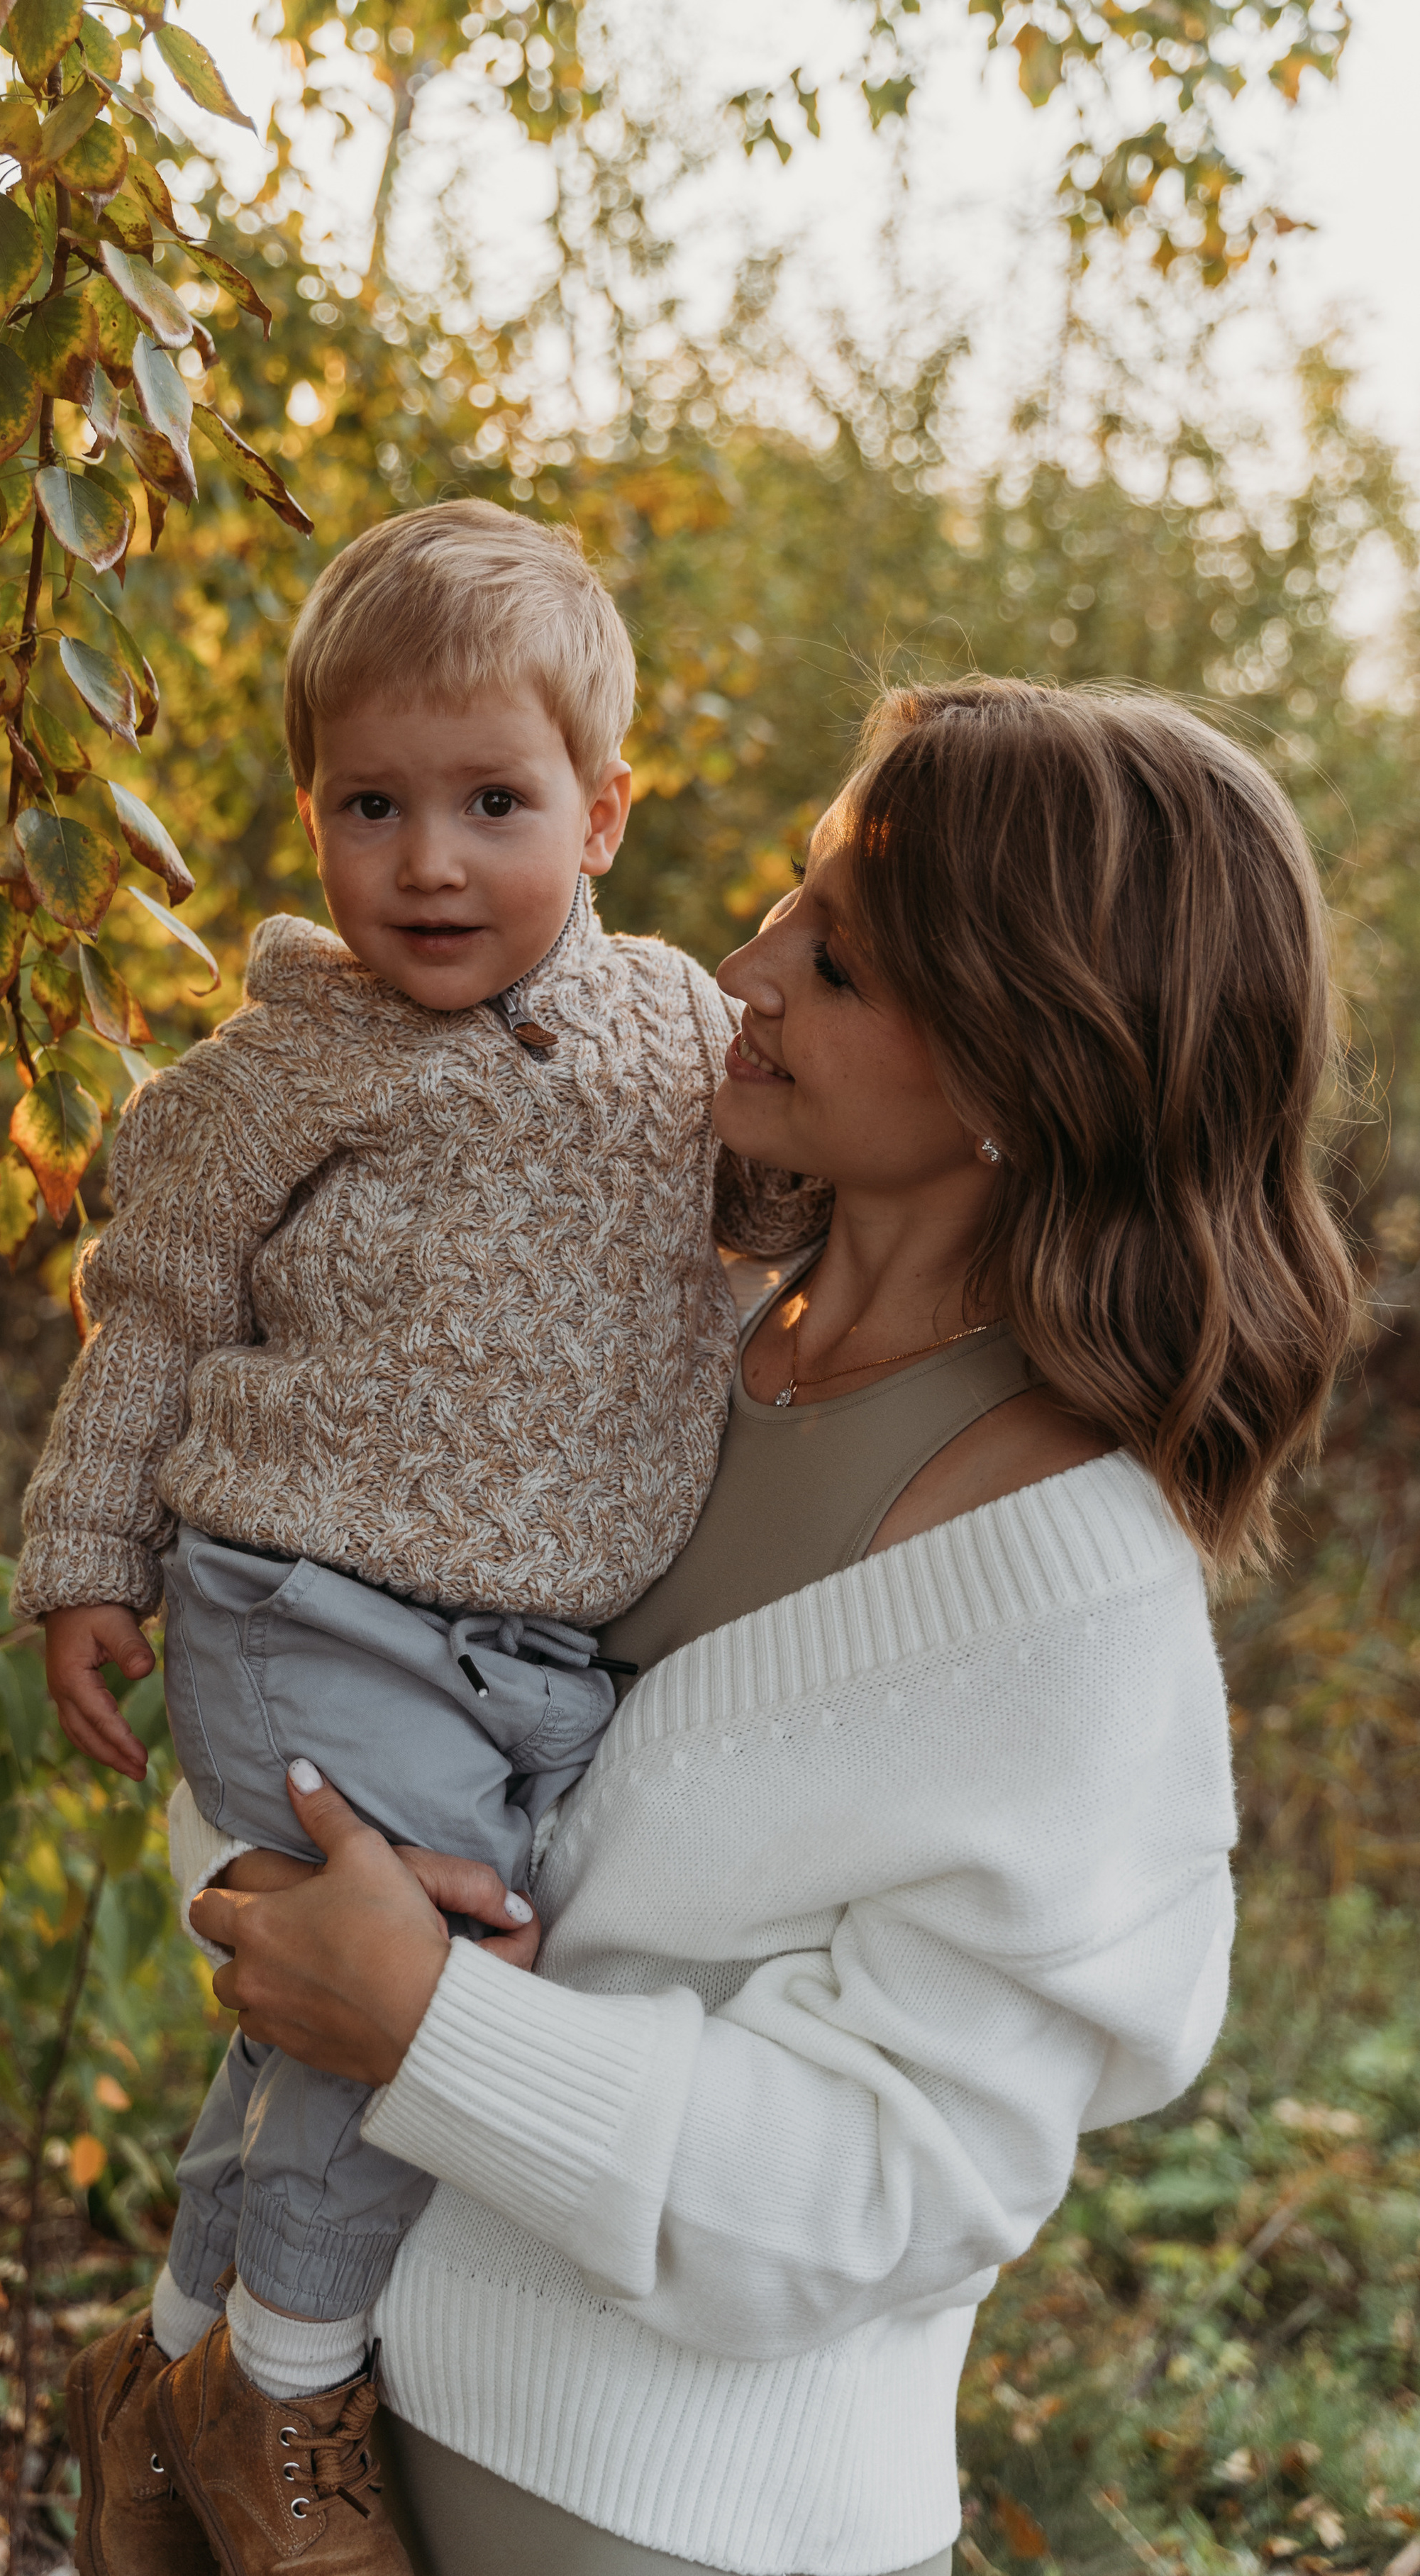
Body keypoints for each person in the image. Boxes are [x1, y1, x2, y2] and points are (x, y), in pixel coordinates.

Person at [181, 677, 1361, 2576]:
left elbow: (890, 2190)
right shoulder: (659, 1334)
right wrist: (269, 1876)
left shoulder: (1073, 1598)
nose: (743, 964)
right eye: (792, 900)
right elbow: (301, 1645)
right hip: (315, 2442)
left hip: (661, 2533)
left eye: (845, 957)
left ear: (1026, 1060)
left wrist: (427, 2024)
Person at [13, 501, 819, 2576]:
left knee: (331, 2022)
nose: (430, 860)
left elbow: (773, 1208)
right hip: (309, 1603)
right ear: (312, 811)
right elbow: (159, 1309)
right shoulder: (283, 1068)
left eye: (492, 801)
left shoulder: (674, 1034)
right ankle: (285, 2411)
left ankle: (165, 2366)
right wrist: (84, 1558)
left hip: (537, 1661)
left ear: (606, 812)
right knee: (412, 2006)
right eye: (373, 804)